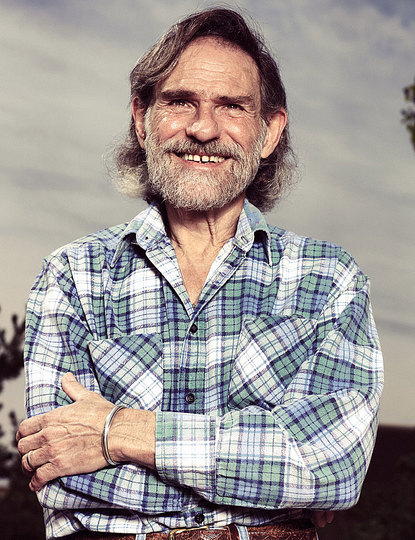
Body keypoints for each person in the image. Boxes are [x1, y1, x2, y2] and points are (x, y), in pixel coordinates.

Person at [17, 7, 383, 540]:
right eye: (180, 101)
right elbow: (59, 474)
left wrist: (120, 431)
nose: (203, 128)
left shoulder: (330, 281)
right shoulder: (72, 276)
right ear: (142, 119)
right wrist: (272, 480)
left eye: (232, 106)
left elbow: (332, 468)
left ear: (269, 131)